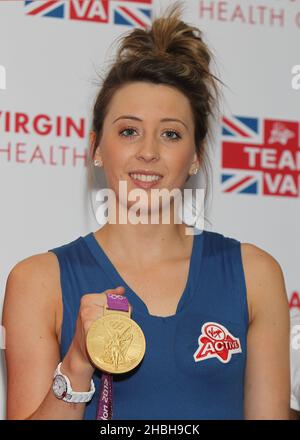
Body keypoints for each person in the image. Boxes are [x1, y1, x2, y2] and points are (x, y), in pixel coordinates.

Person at [2, 2, 290, 420]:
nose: (149, 152)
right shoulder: (38, 282)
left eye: (171, 134)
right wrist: (79, 362)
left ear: (196, 155)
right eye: (129, 130)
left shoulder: (255, 275)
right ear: (97, 148)